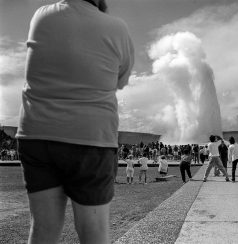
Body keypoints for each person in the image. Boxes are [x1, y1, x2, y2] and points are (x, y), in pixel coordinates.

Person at [15, 0, 134, 243]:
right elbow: (119, 81)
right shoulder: (117, 27)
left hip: (36, 133)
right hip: (91, 137)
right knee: (94, 232)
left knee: (43, 229)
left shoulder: (41, 16)